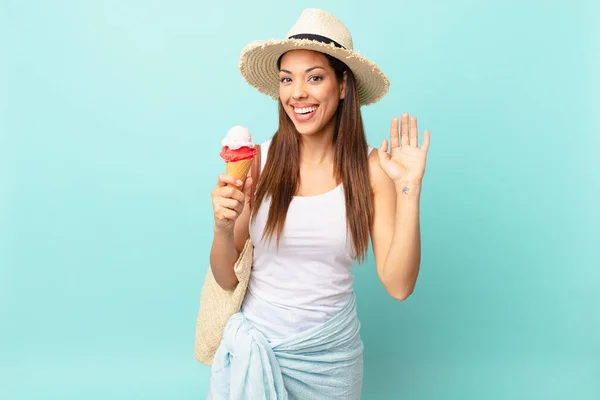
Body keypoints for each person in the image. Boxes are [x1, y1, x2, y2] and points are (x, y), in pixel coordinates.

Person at [208, 8, 430, 399]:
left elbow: (399, 285)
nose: (298, 93)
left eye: (315, 77)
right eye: (287, 79)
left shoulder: (372, 168)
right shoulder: (258, 162)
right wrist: (222, 228)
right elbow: (227, 278)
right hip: (258, 352)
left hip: (330, 363)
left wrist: (408, 190)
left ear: (343, 85)